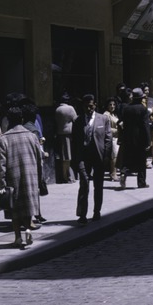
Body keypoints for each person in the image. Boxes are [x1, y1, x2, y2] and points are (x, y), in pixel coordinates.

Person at [0, 106, 42, 248]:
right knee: (28, 204)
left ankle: (17, 237)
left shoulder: (4, 139)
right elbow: (39, 157)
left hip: (12, 176)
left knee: (15, 209)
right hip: (30, 175)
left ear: (9, 120)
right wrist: (39, 176)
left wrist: (1, 182)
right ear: (22, 119)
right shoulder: (31, 136)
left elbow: (1, 164)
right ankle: (28, 229)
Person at [71, 94, 112, 224]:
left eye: (91, 106)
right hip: (83, 156)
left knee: (98, 185)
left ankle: (96, 212)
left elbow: (108, 139)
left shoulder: (103, 119)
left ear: (95, 105)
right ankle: (82, 214)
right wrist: (75, 159)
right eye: (86, 106)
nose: (89, 109)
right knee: (84, 183)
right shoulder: (78, 121)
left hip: (98, 156)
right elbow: (75, 140)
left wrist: (106, 156)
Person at [118, 88, 151, 189]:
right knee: (141, 161)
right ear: (141, 98)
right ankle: (141, 182)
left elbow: (123, 123)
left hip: (128, 137)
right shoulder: (143, 109)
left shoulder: (126, 109)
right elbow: (145, 126)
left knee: (127, 158)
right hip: (140, 138)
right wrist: (148, 141)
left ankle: (123, 172)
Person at [22, 102, 48, 225]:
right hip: (33, 162)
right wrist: (43, 154)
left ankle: (36, 213)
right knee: (33, 189)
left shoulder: (22, 127)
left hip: (24, 161)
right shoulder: (33, 129)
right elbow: (37, 149)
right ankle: (32, 217)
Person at [54, 92, 78, 183]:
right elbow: (75, 119)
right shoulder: (70, 108)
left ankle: (66, 175)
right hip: (68, 134)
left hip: (60, 133)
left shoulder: (57, 109)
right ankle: (66, 176)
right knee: (67, 157)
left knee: (64, 156)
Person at [142, 82, 153, 168]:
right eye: (145, 90)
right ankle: (145, 161)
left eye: (148, 90)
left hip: (152, 121)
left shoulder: (150, 99)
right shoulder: (141, 100)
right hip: (145, 122)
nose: (147, 92)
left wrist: (152, 110)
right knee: (146, 143)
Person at [103, 97, 120, 181]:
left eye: (114, 104)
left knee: (116, 156)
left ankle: (114, 172)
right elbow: (106, 128)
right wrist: (117, 130)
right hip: (111, 138)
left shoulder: (114, 114)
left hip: (117, 138)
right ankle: (113, 173)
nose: (112, 106)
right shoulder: (106, 115)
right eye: (110, 104)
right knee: (114, 156)